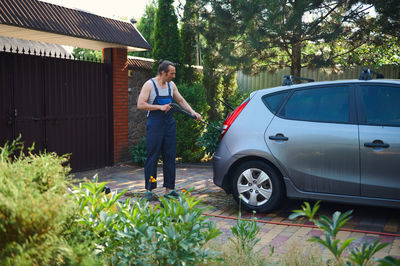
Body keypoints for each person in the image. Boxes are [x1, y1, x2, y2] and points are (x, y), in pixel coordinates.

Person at [137, 60, 202, 200]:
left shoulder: (171, 85)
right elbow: (140, 104)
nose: (173, 76)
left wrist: (193, 112)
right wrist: (159, 107)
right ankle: (149, 189)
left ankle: (169, 190)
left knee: (170, 157)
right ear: (163, 73)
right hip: (155, 124)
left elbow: (181, 100)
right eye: (171, 73)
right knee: (152, 157)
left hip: (169, 124)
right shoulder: (150, 85)